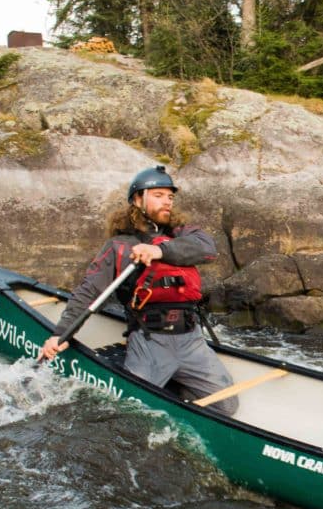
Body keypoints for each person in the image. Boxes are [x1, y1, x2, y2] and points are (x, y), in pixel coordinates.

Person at [38, 166, 238, 416]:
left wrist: (160, 251)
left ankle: (174, 385)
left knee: (227, 405)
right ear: (137, 199)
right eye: (158, 195)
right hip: (149, 340)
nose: (167, 201)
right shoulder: (119, 246)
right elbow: (88, 292)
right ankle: (154, 380)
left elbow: (208, 249)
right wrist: (60, 335)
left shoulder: (183, 235)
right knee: (134, 411)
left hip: (191, 340)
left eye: (170, 196)